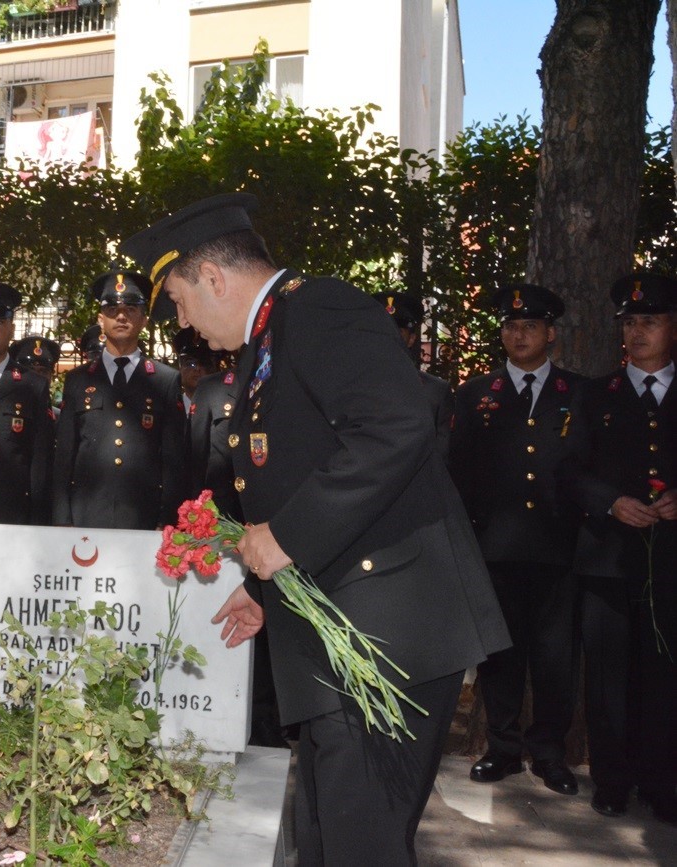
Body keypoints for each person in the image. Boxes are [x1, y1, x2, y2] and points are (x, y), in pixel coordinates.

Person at [121, 193, 509, 865]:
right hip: (348, 632)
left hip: (392, 632)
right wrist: (265, 588)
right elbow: (306, 468)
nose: (180, 322)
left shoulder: (319, 311)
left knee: (361, 846)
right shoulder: (269, 339)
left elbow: (395, 426)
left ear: (214, 278)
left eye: (179, 301)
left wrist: (283, 537)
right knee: (326, 838)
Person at [449, 284, 583, 795]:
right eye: (509, 326)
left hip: (558, 550)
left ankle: (550, 753)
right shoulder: (477, 394)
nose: (518, 334)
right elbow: (458, 471)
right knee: (500, 656)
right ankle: (502, 749)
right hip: (496, 549)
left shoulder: (578, 394)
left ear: (550, 333)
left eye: (529, 326)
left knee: (555, 658)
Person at [561, 273, 677, 824]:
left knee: (664, 675)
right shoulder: (593, 394)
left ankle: (662, 781)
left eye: (649, 321)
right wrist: (610, 502)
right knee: (607, 675)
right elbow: (568, 471)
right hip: (607, 558)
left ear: (672, 327)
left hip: (670, 564)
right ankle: (611, 780)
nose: (637, 332)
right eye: (629, 323)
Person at [52, 271, 186, 529]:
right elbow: (64, 458)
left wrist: (167, 520)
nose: (121, 316)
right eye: (112, 309)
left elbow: (174, 460)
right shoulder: (79, 381)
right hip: (86, 518)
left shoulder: (165, 380)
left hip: (143, 517)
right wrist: (62, 521)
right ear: (101, 319)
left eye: (131, 309)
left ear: (144, 319)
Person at [0, 282, 54, 525]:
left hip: (11, 518)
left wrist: (38, 523)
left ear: (11, 328)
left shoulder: (32, 386)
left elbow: (41, 463)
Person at [372, 292, 454, 458]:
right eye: (383, 331)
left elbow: (442, 458)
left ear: (411, 339)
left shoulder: (435, 393)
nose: (390, 339)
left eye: (398, 332)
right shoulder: (353, 386)